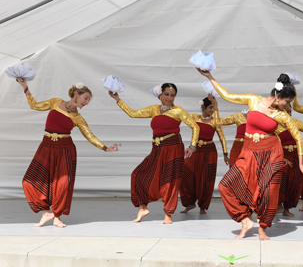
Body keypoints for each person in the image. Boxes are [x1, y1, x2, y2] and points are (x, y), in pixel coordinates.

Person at [197, 68, 303, 240]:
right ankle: (245, 220)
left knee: (268, 192)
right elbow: (228, 96)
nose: (287, 106)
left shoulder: (281, 115)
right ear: (278, 95)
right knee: (225, 186)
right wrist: (209, 76)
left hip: (271, 152)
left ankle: (263, 227)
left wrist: (301, 163)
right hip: (249, 151)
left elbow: (297, 136)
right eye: (287, 101)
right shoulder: (254, 101)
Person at [17, 78, 120, 228]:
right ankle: (46, 213)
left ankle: (57, 217)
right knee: (29, 181)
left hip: (65, 149)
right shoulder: (55, 102)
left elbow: (89, 135)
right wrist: (25, 87)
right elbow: (35, 105)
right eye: (86, 98)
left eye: (88, 101)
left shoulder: (78, 118)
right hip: (46, 147)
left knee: (62, 184)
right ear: (76, 94)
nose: (86, 102)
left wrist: (105, 148)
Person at [109, 83, 199, 224]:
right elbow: (133, 113)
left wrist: (192, 146)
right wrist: (118, 100)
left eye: (172, 95)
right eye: (167, 94)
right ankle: (142, 208)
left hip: (174, 148)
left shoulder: (178, 111)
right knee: (138, 174)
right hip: (157, 148)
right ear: (160, 94)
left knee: (170, 181)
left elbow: (195, 126)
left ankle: (168, 214)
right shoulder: (153, 109)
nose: (169, 97)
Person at [180, 94, 228, 214]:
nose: (212, 110)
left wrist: (225, 153)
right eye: (210, 108)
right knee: (184, 172)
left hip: (209, 152)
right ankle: (190, 203)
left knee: (206, 179)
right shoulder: (195, 118)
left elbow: (222, 137)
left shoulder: (215, 121)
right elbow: (181, 114)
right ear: (203, 107)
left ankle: (203, 206)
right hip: (195, 150)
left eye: (213, 108)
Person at [275, 105, 303, 217]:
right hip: (284, 157)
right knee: (281, 183)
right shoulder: (275, 126)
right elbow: (272, 142)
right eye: (286, 112)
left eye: (290, 111)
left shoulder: (296, 123)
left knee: (294, 184)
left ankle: (287, 208)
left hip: (297, 157)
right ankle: (278, 206)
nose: (289, 114)